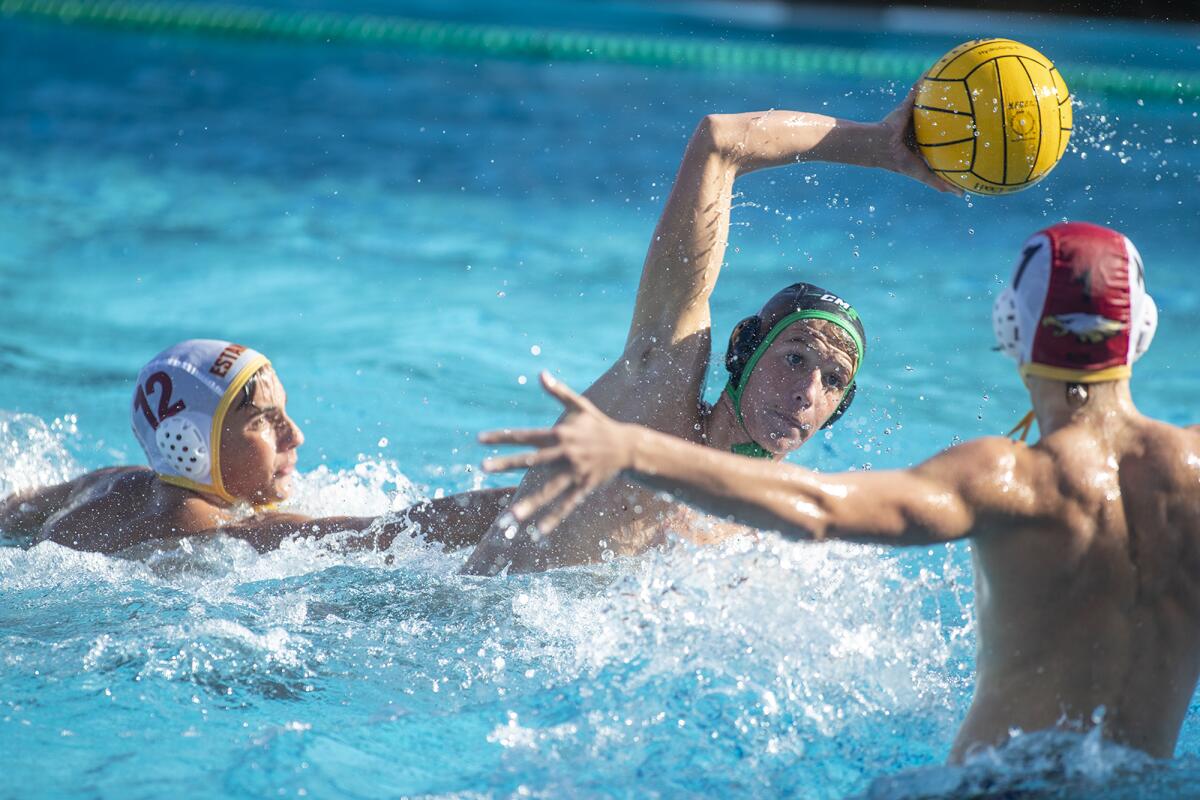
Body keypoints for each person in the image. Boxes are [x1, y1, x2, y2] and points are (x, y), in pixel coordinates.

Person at [480, 221, 1200, 762]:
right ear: (1143, 333)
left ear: (1011, 329)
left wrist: (631, 446)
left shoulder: (1007, 477)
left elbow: (819, 510)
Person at [460, 89, 959, 575]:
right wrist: (876, 146)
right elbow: (719, 141)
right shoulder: (656, 391)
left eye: (833, 381)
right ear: (744, 350)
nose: (808, 393)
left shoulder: (777, 534)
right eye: (795, 358)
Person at [0, 339, 512, 554]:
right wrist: (534, 495)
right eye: (265, 422)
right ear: (188, 443)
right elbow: (393, 533)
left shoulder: (109, 482)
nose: (295, 435)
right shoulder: (215, 531)